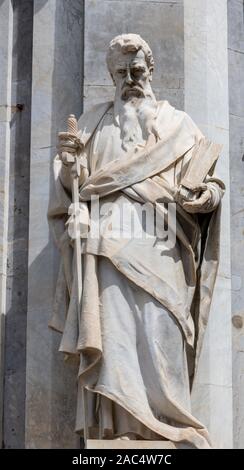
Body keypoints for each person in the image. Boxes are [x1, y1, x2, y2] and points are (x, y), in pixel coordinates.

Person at [48, 34, 225, 448]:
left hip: (165, 247)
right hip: (107, 248)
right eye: (121, 73)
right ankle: (119, 429)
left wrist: (205, 195)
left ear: (151, 72)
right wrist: (69, 174)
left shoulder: (180, 126)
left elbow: (211, 183)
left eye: (137, 71)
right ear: (111, 76)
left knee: (161, 331)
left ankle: (168, 422)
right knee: (115, 337)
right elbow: (73, 185)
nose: (131, 80)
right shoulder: (93, 123)